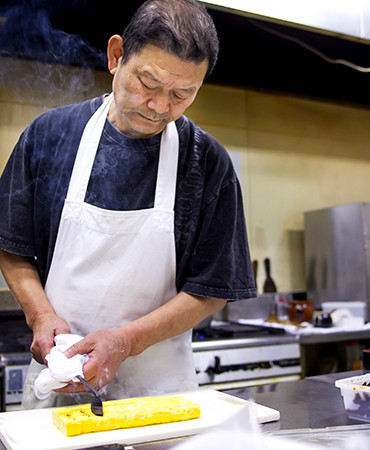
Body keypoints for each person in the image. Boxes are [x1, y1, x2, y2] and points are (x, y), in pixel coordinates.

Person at [0, 0, 256, 408]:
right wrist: (40, 316)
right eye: (148, 83)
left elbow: (211, 290)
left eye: (181, 94)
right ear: (116, 55)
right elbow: (11, 248)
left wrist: (126, 342)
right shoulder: (49, 136)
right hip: (57, 382)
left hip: (158, 396)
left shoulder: (206, 163)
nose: (159, 106)